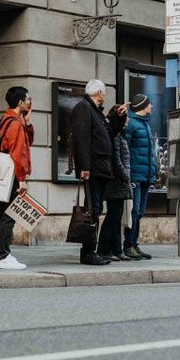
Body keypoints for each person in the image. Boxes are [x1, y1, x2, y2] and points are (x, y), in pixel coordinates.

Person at [72, 79, 128, 265]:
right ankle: (88, 252)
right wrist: (84, 167)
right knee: (92, 209)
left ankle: (90, 251)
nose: (105, 95)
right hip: (93, 169)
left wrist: (118, 117)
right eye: (104, 92)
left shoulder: (96, 112)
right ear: (99, 93)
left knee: (95, 209)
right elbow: (81, 139)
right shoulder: (84, 108)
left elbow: (108, 134)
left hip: (100, 169)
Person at [0, 86, 34, 270]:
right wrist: (21, 179)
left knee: (2, 213)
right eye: (28, 99)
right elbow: (18, 153)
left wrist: (27, 122)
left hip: (5, 174)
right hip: (12, 174)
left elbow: (26, 142)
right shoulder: (14, 124)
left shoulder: (9, 119)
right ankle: (3, 255)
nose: (30, 103)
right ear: (20, 103)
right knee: (9, 214)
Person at [123, 93, 157, 260]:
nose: (151, 107)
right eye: (149, 104)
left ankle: (134, 245)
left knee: (140, 211)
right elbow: (126, 149)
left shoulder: (145, 125)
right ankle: (128, 245)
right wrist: (127, 174)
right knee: (133, 211)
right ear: (143, 106)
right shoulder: (131, 124)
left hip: (145, 175)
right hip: (135, 175)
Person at [98, 105, 133, 261]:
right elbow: (117, 159)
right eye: (127, 116)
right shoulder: (116, 135)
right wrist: (125, 176)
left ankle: (116, 249)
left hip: (119, 180)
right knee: (113, 216)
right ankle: (104, 249)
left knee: (117, 216)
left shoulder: (120, 134)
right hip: (116, 181)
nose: (128, 119)